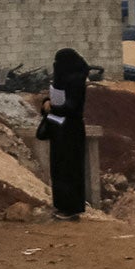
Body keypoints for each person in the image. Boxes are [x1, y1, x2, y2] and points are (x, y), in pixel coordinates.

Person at [36, 47, 91, 217]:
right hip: (58, 130)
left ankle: (71, 208)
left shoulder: (76, 82)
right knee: (59, 170)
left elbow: (72, 107)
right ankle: (61, 205)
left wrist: (52, 106)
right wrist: (48, 102)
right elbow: (55, 99)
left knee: (70, 170)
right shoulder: (62, 81)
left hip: (70, 131)